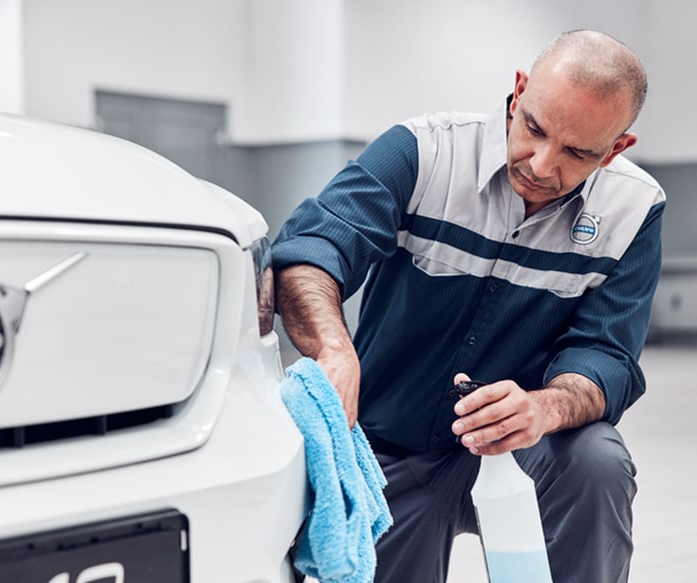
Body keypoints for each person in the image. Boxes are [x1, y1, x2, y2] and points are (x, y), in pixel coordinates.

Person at [272, 29, 665, 583]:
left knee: (596, 461)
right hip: (392, 444)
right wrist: (334, 350)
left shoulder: (634, 209)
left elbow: (606, 353)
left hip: (524, 450)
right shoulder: (422, 152)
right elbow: (313, 250)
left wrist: (543, 409)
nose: (542, 164)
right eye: (533, 128)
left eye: (578, 153)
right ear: (519, 91)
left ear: (617, 148)